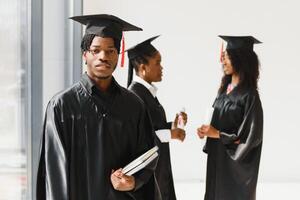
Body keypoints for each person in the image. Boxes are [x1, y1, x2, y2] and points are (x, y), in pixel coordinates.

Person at [36, 14, 161, 200]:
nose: (103, 57)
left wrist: (133, 182)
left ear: (118, 56)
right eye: (96, 50)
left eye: (111, 51)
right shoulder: (62, 107)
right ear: (85, 55)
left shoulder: (134, 106)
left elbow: (147, 158)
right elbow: (54, 174)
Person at [197, 35, 264, 200]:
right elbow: (216, 121)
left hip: (234, 166)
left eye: (227, 58)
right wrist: (206, 130)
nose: (223, 62)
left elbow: (252, 137)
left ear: (241, 60)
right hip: (217, 158)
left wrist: (218, 134)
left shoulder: (250, 95)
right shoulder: (223, 90)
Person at [126, 35, 187, 200]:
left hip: (159, 166)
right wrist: (170, 134)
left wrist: (173, 126)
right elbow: (139, 135)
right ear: (143, 68)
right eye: (158, 63)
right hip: (147, 172)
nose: (162, 67)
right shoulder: (135, 95)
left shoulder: (147, 93)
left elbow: (152, 125)